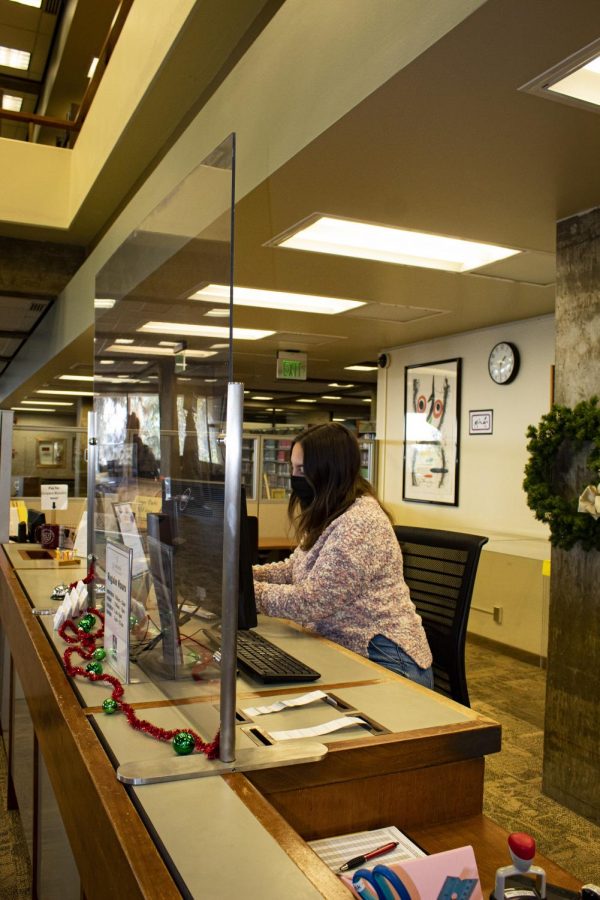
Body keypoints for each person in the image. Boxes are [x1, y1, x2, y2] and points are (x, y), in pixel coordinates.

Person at [253, 423, 433, 688]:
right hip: (342, 649)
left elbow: (312, 601)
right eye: (292, 468)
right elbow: (295, 568)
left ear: (328, 470)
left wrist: (247, 590)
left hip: (386, 659)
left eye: (301, 470)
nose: (294, 477)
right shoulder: (331, 512)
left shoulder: (361, 522)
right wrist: (243, 573)